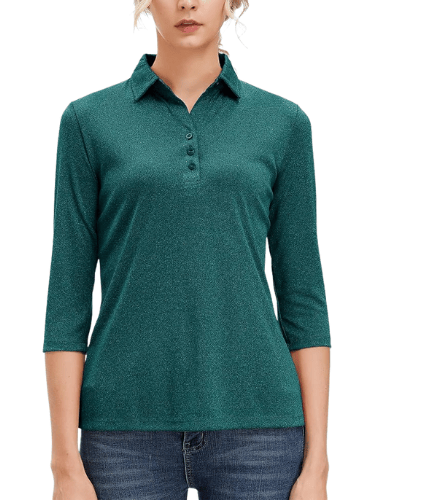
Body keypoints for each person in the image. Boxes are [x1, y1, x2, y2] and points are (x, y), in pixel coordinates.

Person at [43, 1, 331, 499]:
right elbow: (66, 301)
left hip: (261, 428)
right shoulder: (88, 122)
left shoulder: (283, 123)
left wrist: (318, 464)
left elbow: (303, 297)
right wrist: (64, 463)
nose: (187, 3)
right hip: (123, 432)